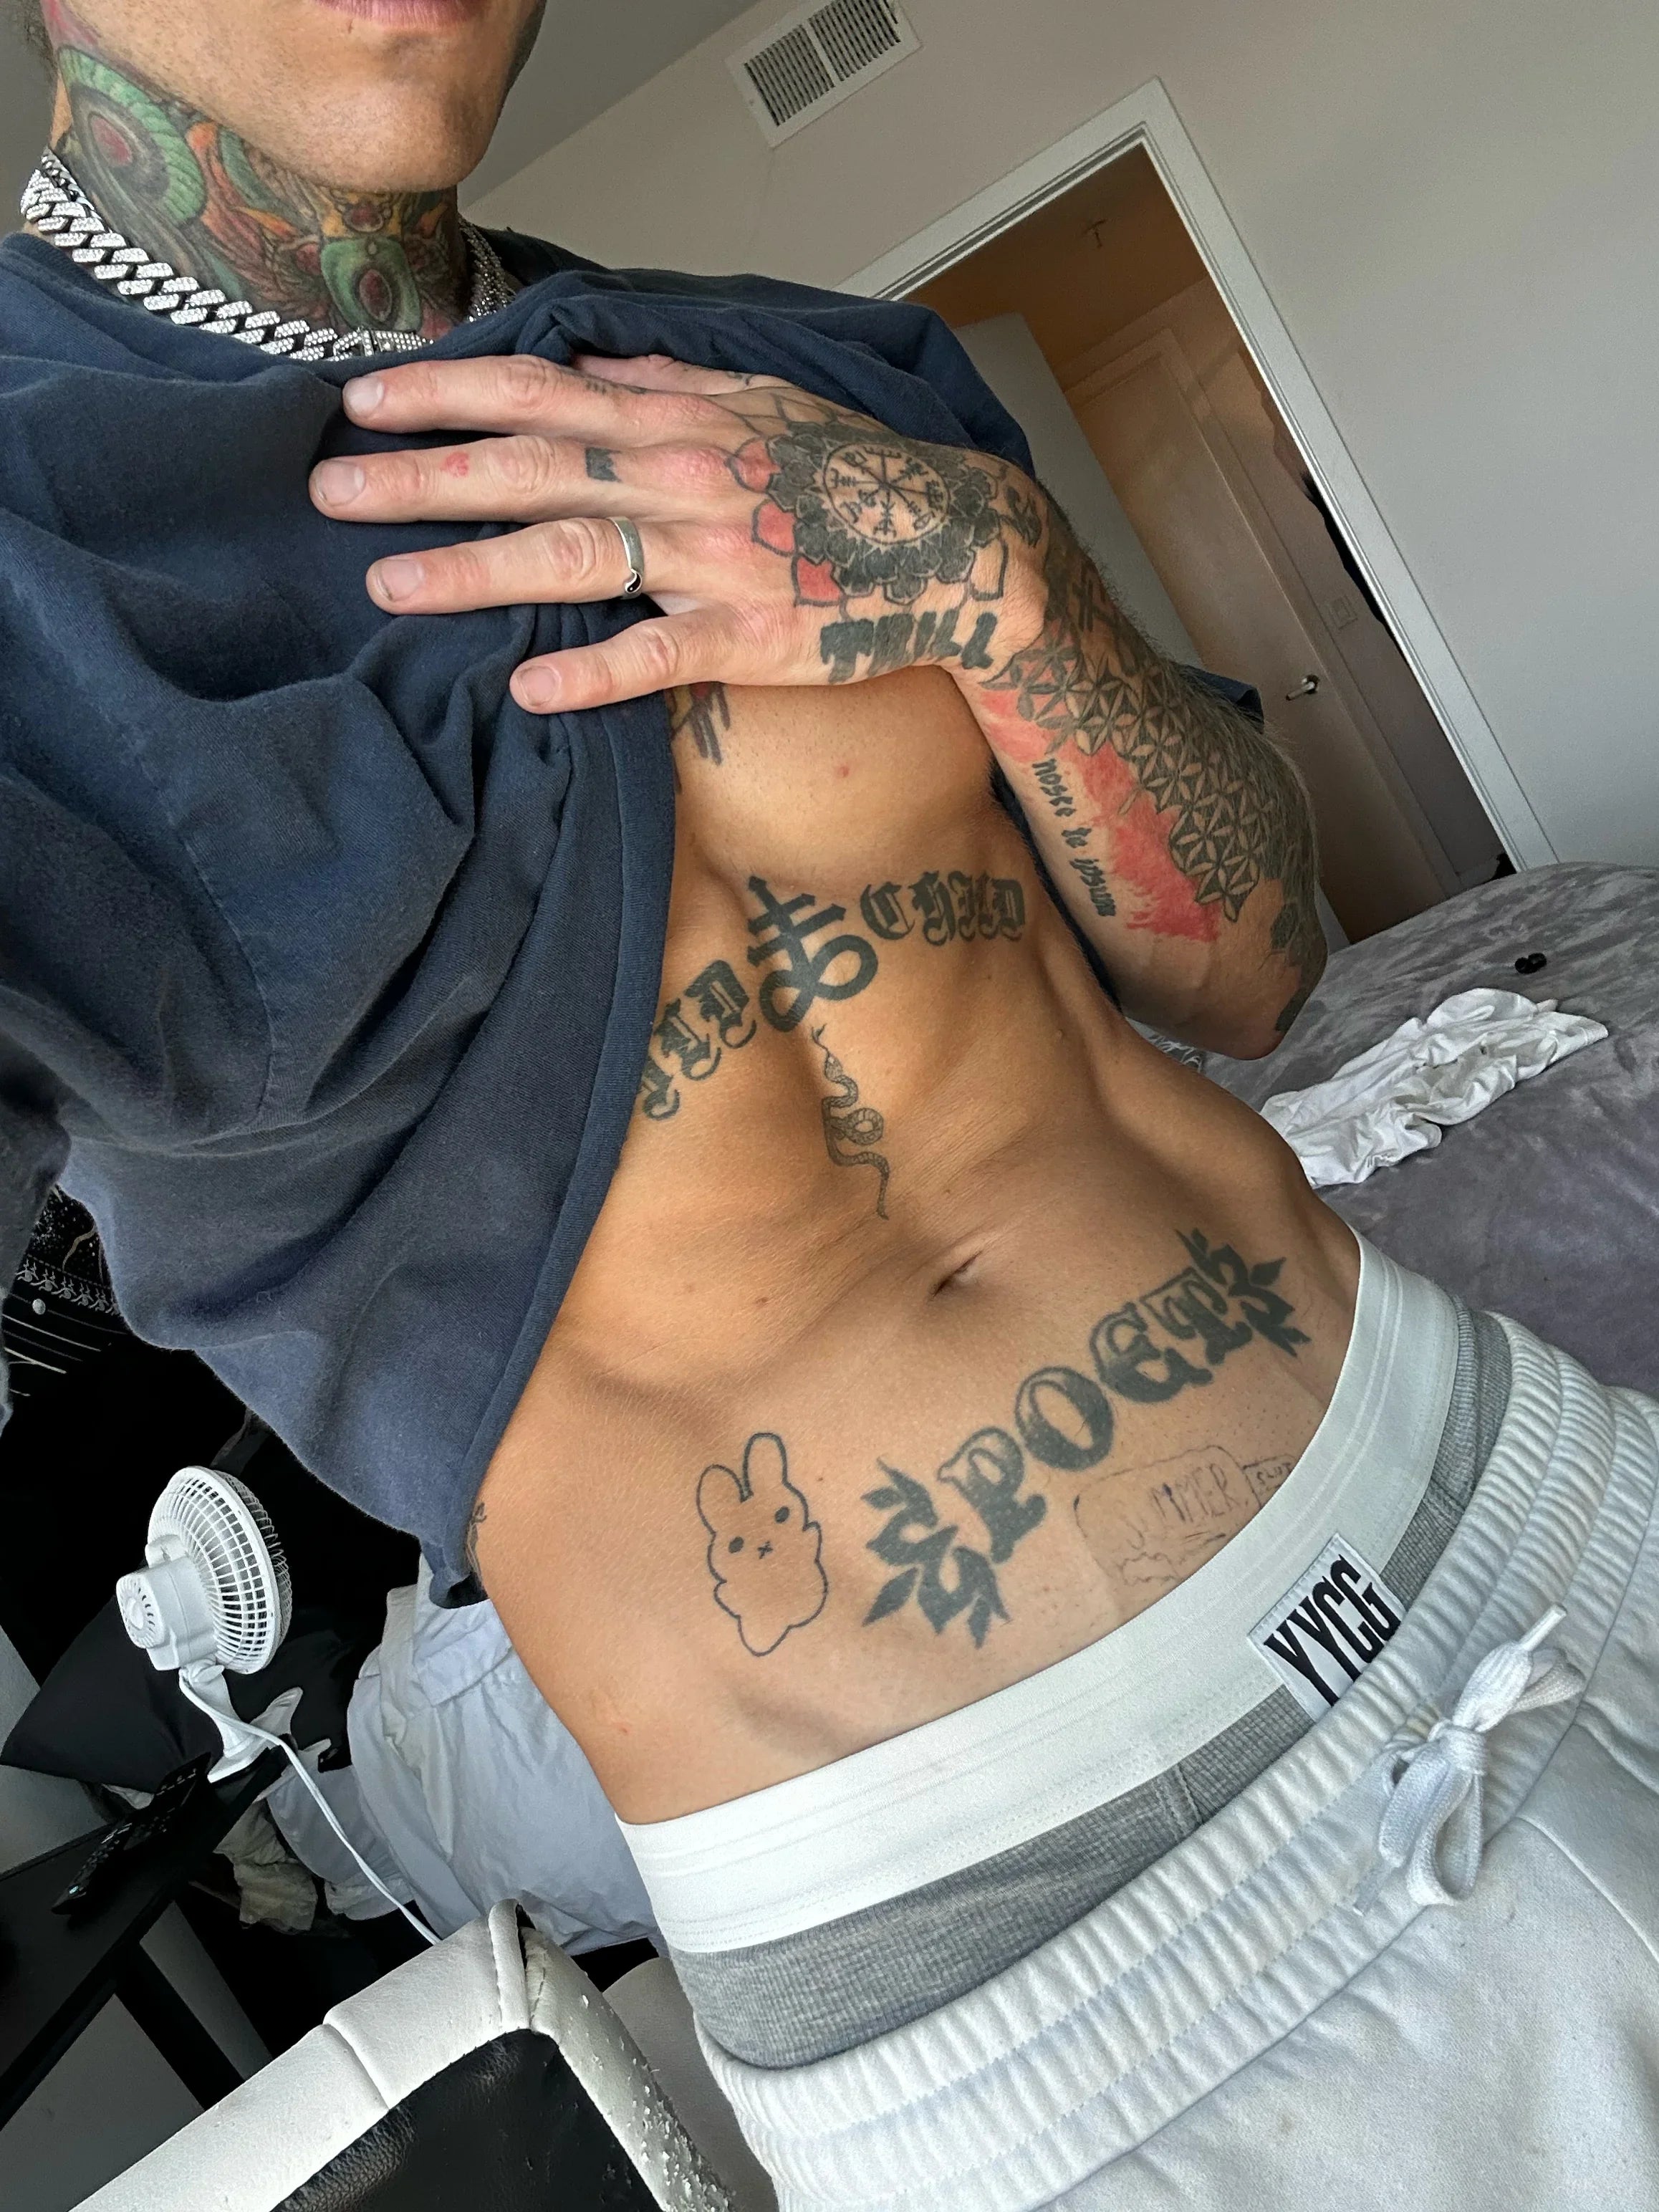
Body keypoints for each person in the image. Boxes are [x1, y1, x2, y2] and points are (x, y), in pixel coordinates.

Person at [5, 4, 1658, 2206]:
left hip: (1535, 1494)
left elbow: (1252, 967)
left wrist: (1012, 587)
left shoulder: (814, 363)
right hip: (1049, 1956)